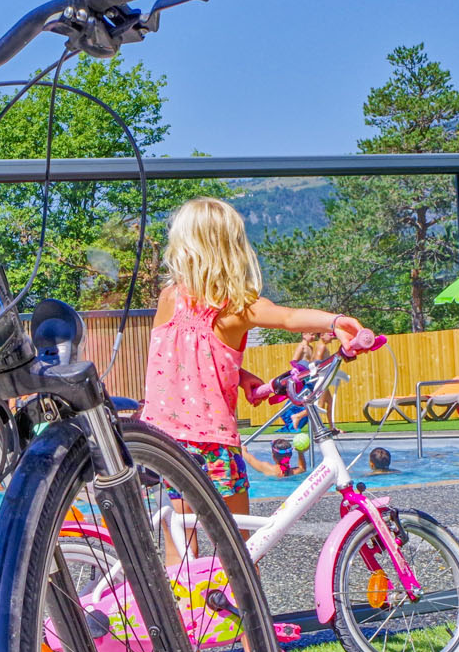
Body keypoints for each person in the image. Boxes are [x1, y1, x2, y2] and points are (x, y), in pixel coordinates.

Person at [142, 197, 375, 514]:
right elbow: (288, 318)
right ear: (232, 248)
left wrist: (239, 375)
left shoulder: (168, 298)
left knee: (181, 544)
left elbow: (178, 361)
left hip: (159, 438)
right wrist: (335, 321)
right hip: (210, 440)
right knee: (242, 546)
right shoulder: (235, 305)